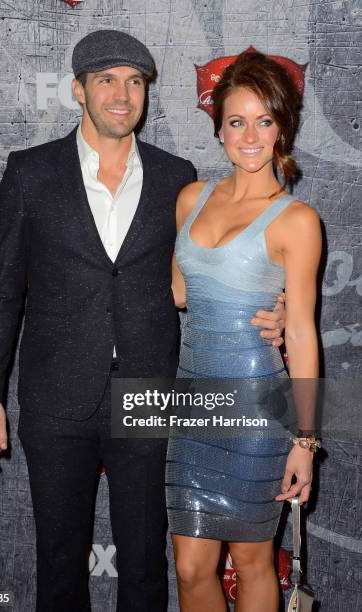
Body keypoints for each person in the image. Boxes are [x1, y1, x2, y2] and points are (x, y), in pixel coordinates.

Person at [0, 31, 286, 612]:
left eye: (135, 81)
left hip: (149, 393)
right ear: (78, 90)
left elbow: (199, 275)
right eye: (107, 80)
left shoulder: (177, 177)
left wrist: (271, 300)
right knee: (58, 563)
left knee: (145, 563)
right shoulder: (30, 171)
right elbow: (1, 290)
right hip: (56, 394)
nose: (122, 94)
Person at [166, 49, 322, 612]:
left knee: (253, 561)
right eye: (236, 120)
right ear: (219, 127)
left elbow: (302, 333)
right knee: (189, 567)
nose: (249, 135)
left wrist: (304, 440)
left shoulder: (297, 220)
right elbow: (181, 292)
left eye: (264, 120)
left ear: (282, 128)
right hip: (193, 404)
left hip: (258, 409)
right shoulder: (191, 198)